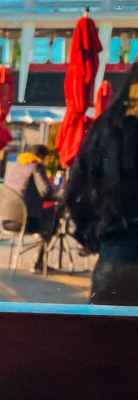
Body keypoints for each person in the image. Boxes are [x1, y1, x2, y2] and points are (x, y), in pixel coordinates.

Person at [67, 62, 138, 305]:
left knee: (106, 338)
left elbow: (76, 191)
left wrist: (94, 235)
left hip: (117, 257)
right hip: (117, 248)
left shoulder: (108, 127)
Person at [3, 144, 62, 272]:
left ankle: (39, 261)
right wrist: (59, 190)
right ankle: (39, 261)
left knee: (50, 216)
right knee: (54, 219)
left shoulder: (14, 166)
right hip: (26, 222)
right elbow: (46, 192)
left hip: (7, 220)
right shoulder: (36, 166)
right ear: (42, 156)